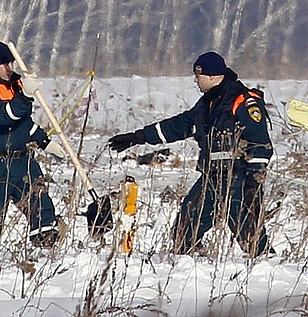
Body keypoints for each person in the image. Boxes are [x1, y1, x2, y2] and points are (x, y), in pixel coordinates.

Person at [108, 52, 274, 257]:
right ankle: (186, 263)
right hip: (211, 177)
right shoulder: (207, 104)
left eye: (198, 76)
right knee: (185, 226)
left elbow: (260, 143)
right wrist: (138, 137)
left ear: (213, 76)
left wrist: (253, 182)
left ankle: (267, 265)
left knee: (247, 229)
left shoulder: (243, 101)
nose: (195, 81)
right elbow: (179, 125)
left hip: (238, 177)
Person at [0, 41, 66, 247]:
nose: (8, 68)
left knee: (40, 203)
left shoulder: (15, 85)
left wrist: (44, 142)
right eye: (4, 64)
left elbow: (23, 125)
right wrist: (25, 97)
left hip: (22, 160)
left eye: (10, 63)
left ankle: (45, 247)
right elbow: (4, 117)